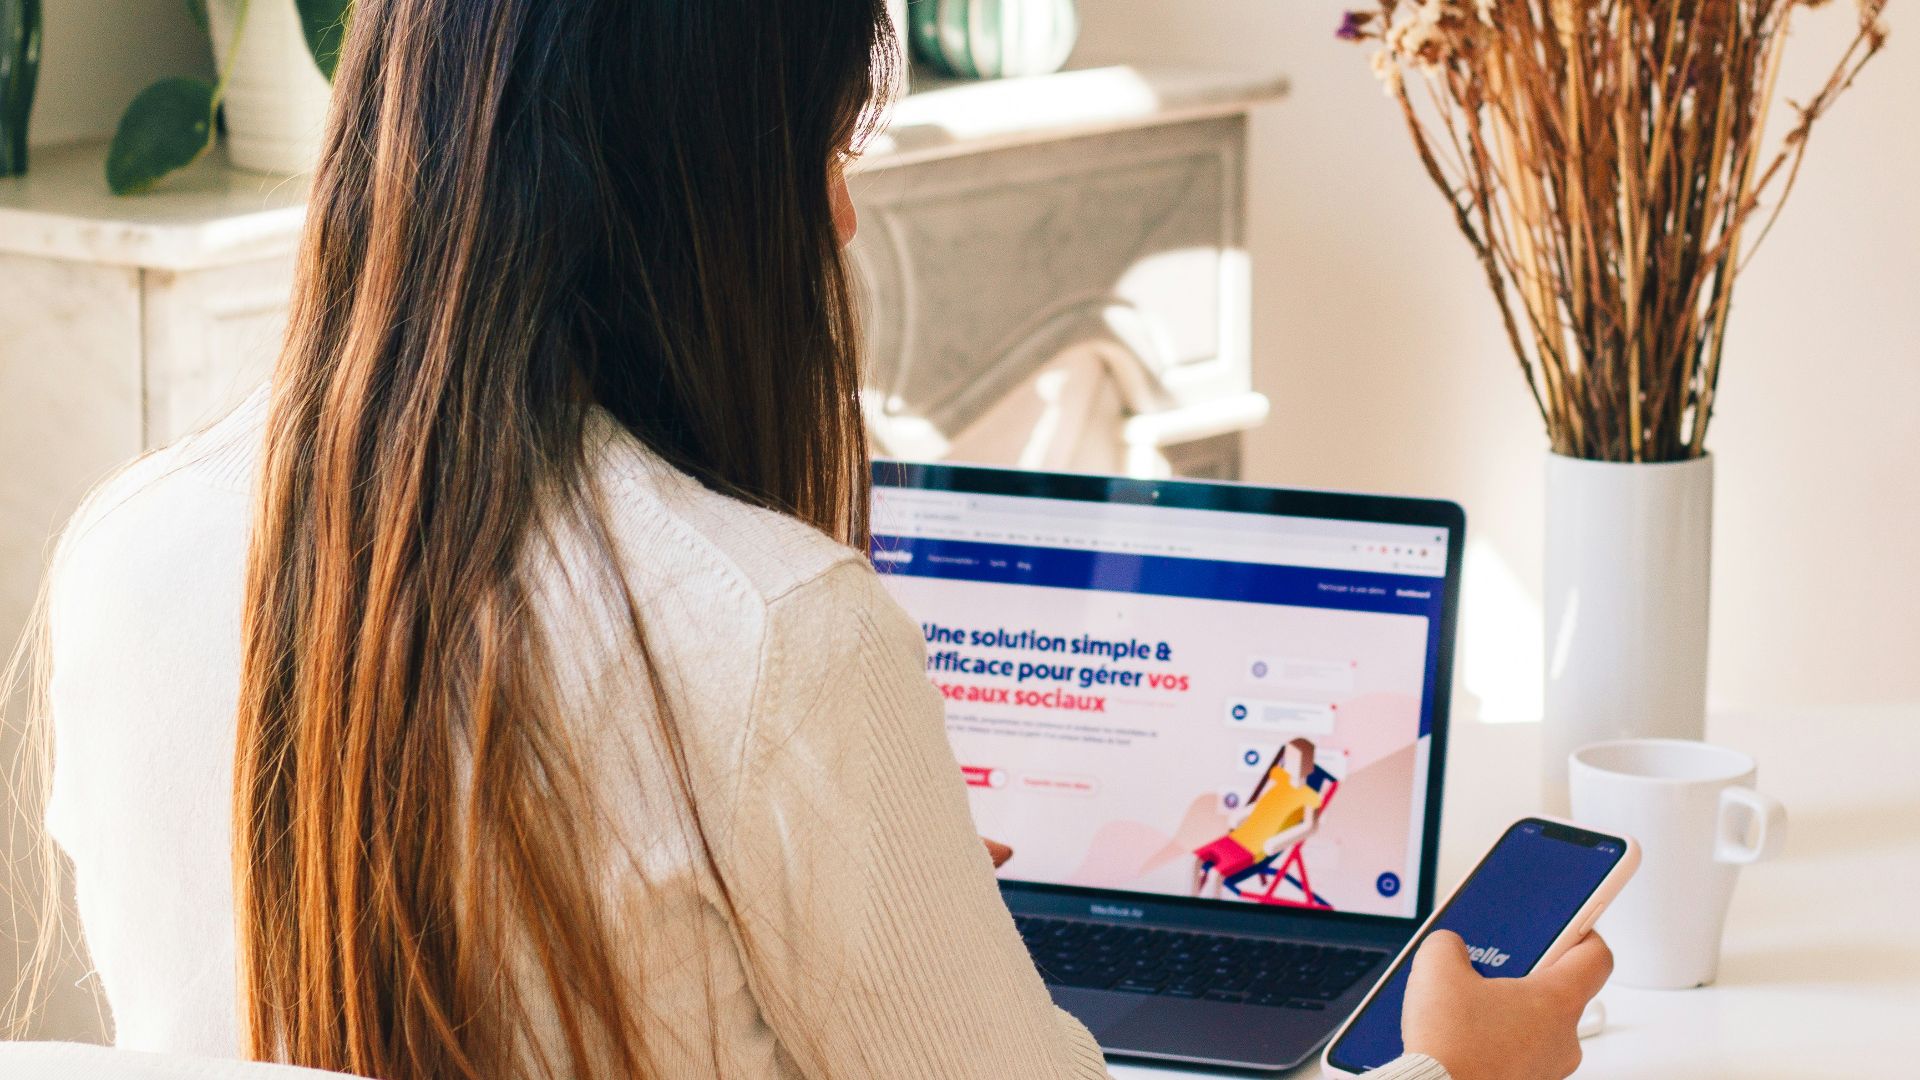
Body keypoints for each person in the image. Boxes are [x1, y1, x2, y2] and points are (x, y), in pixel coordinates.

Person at [17, 2, 1613, 1078]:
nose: (837, 219)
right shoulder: (775, 635)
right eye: (828, 148)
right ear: (691, 183)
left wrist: (873, 889)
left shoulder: (123, 561)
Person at [1192, 737, 1324, 898]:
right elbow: (1263, 805)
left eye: (1295, 759)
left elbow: (1310, 827)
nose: (1289, 762)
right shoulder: (1281, 782)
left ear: (1307, 765)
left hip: (1257, 848)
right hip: (1241, 836)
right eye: (1288, 757)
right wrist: (1241, 815)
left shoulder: (1308, 796)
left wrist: (1275, 843)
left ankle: (1212, 918)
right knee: (1196, 860)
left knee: (1216, 874)